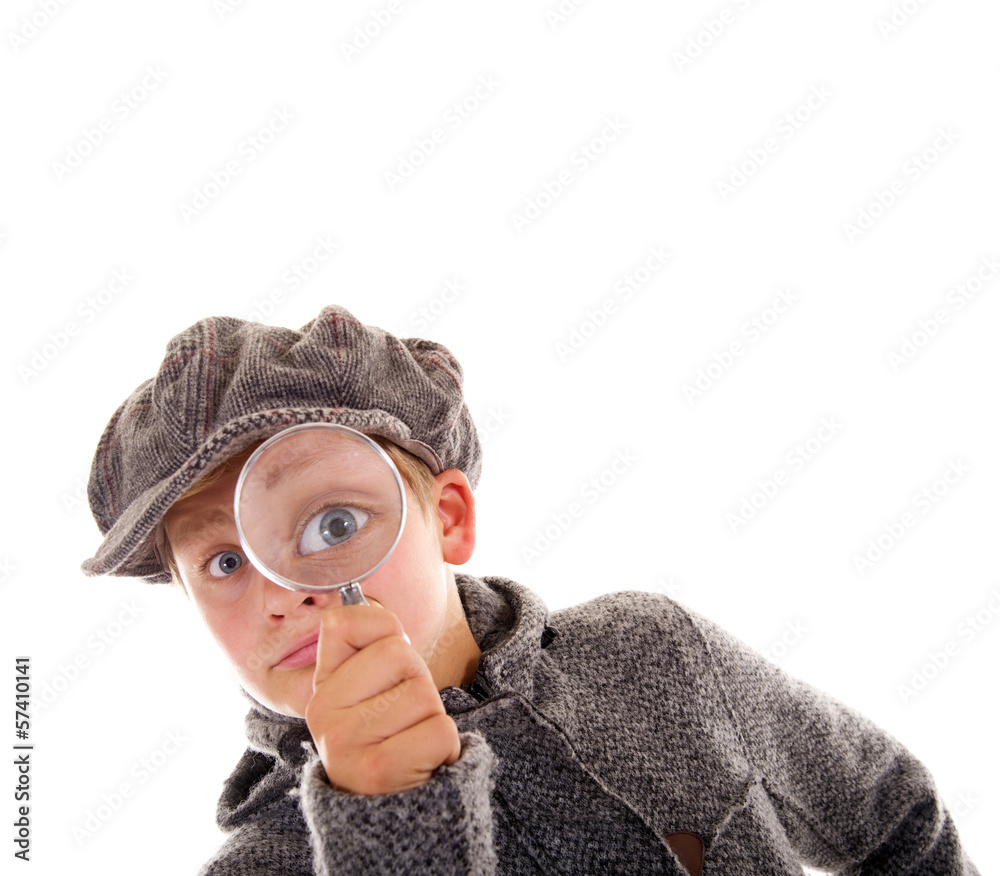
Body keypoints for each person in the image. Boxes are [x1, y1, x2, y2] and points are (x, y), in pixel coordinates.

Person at [81, 304, 980, 875]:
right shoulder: (264, 865)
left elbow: (897, 818)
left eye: (333, 524)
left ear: (448, 519)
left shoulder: (654, 655)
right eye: (225, 564)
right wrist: (388, 829)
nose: (283, 591)